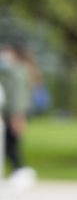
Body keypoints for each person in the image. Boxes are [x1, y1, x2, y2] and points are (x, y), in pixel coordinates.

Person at [0, 44, 36, 189]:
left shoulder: (18, 72)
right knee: (10, 144)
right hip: (11, 113)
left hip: (16, 113)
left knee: (11, 145)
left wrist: (18, 115)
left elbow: (19, 96)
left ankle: (21, 171)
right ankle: (20, 171)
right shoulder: (13, 72)